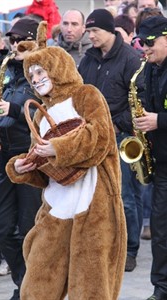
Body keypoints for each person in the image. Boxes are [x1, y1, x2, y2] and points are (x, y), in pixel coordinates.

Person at [6, 21, 127, 300]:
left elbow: (101, 139)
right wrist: (24, 166)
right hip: (57, 205)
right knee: (37, 285)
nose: (35, 78)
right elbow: (46, 165)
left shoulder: (86, 95)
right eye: (30, 74)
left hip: (92, 205)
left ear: (57, 67)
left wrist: (57, 148)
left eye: (40, 70)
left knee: (91, 287)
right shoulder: (39, 114)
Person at [78, 8, 145, 272]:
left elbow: (139, 100)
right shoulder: (89, 58)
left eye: (95, 31)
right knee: (98, 196)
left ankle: (130, 250)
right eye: (89, 31)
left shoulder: (130, 58)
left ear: (109, 31)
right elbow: (79, 90)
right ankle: (105, 246)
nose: (91, 35)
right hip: (93, 136)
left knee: (126, 196)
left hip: (120, 135)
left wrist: (118, 125)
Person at [0, 17, 42, 300]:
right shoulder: (6, 69)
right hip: (5, 160)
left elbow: (44, 110)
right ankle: (24, 282)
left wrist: (14, 108)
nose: (15, 45)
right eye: (12, 40)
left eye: (21, 40)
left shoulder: (43, 70)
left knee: (28, 229)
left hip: (30, 158)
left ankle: (29, 289)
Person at [134, 15, 167, 300]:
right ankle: (161, 288)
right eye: (140, 43)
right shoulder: (150, 69)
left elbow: (160, 118)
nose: (144, 48)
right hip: (162, 162)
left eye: (149, 42)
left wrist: (160, 121)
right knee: (160, 230)